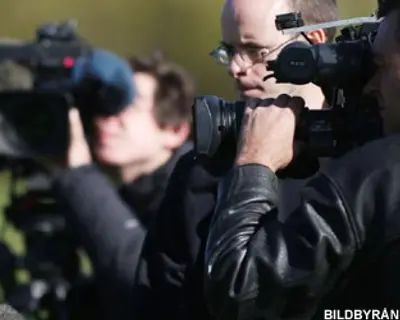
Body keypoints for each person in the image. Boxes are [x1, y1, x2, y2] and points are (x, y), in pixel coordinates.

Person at [132, 0, 338, 318]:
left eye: (256, 50)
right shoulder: (200, 171)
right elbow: (157, 303)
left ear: (315, 41)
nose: (236, 68)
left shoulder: (364, 163)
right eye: (230, 50)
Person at [203, 0, 400, 317]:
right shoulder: (199, 174)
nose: (371, 85)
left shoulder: (375, 176)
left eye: (381, 66)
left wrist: (254, 164)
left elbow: (242, 291)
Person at [45, 51, 194, 319]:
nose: (110, 115)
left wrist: (80, 175)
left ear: (175, 131)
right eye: (111, 100)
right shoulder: (129, 199)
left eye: (131, 103)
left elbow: (144, 281)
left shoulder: (200, 193)